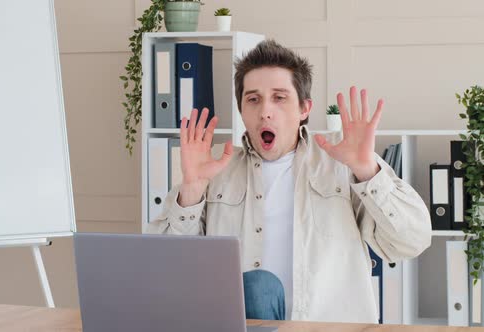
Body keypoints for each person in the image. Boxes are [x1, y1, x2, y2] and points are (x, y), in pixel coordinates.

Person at [145, 39, 431, 323]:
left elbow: (412, 241)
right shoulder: (214, 166)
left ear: (304, 109)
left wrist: (368, 171)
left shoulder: (343, 161)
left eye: (279, 98)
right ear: (242, 110)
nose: (265, 111)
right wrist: (192, 190)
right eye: (253, 99)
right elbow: (165, 270)